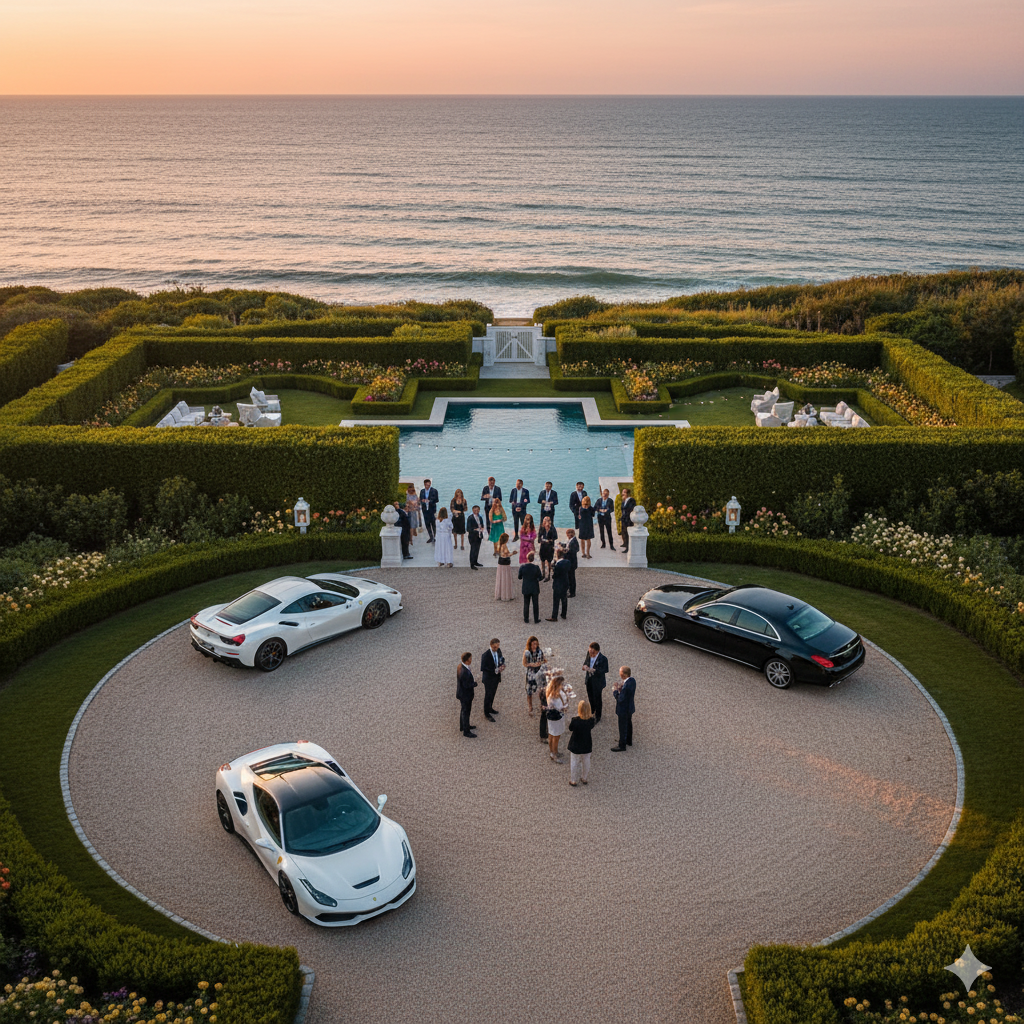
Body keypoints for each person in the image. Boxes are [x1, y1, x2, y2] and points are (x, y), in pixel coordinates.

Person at [567, 699, 596, 785]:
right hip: (586, 743)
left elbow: (570, 728)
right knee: (586, 761)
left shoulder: (575, 720)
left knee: (574, 761)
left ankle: (573, 780)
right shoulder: (591, 720)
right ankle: (584, 778)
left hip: (575, 743)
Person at [611, 666, 636, 752]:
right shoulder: (632, 681)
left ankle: (622, 745)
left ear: (624, 675)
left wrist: (615, 691)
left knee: (622, 727)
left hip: (623, 709)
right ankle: (629, 740)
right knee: (629, 724)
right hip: (630, 707)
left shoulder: (626, 686)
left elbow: (620, 698)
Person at [582, 641, 609, 723]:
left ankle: (598, 715)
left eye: (593, 652)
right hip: (589, 680)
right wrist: (585, 666)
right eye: (590, 651)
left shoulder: (603, 659)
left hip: (597, 682)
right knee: (590, 696)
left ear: (597, 651)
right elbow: (586, 661)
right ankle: (592, 710)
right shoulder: (589, 653)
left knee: (597, 698)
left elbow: (605, 670)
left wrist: (595, 670)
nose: (591, 654)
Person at [480, 638, 505, 721]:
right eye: (494, 647)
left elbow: (501, 658)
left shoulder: (498, 650)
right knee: (488, 695)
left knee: (493, 693)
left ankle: (490, 708)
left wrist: (502, 665)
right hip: (488, 679)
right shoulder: (485, 655)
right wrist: (494, 670)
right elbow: (483, 668)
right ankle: (486, 712)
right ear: (491, 646)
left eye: (497, 646)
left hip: (496, 677)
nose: (496, 648)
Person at [545, 675, 568, 763]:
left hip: (554, 717)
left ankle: (553, 752)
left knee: (552, 734)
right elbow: (558, 707)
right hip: (556, 717)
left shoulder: (555, 692)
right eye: (561, 684)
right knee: (556, 736)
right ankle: (554, 753)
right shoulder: (554, 696)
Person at [522, 635, 546, 717]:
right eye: (533, 644)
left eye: (536, 644)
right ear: (530, 644)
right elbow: (524, 663)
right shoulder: (527, 652)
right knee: (529, 692)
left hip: (539, 674)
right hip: (530, 675)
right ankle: (530, 707)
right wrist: (531, 664)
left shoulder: (540, 651)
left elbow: (544, 660)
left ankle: (542, 704)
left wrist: (541, 662)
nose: (535, 646)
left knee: (541, 690)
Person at [518, 551, 543, 623]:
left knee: (526, 604)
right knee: (535, 604)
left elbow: (519, 577)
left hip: (526, 587)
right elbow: (540, 577)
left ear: (527, 558)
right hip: (534, 587)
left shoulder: (523, 567)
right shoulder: (536, 567)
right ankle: (536, 619)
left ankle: (526, 619)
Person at [456, 652, 476, 738]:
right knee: (466, 712)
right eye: (470, 659)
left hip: (462, 694)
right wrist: (474, 684)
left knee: (463, 711)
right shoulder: (464, 672)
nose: (471, 660)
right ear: (467, 660)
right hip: (465, 695)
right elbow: (466, 685)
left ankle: (463, 726)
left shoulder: (460, 666)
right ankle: (466, 731)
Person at [547, 547, 570, 621]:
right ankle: (564, 614)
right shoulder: (567, 562)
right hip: (565, 582)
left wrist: (553, 570)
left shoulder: (558, 565)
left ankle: (554, 616)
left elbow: (555, 575)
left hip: (558, 584)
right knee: (564, 599)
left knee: (556, 601)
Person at [495, 533, 516, 601]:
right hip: (505, 564)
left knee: (501, 578)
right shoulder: (504, 546)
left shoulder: (499, 545)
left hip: (500, 563)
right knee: (506, 578)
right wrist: (513, 553)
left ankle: (500, 594)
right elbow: (507, 555)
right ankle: (506, 595)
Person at [537, 516, 558, 581]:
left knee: (549, 561)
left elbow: (555, 537)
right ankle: (542, 574)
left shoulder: (552, 528)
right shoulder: (542, 528)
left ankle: (548, 575)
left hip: (549, 546)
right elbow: (539, 536)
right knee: (542, 560)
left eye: (548, 520)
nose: (547, 522)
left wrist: (550, 540)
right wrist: (540, 540)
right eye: (545, 520)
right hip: (543, 546)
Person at [467, 504, 486, 569]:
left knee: (477, 549)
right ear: (472, 510)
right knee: (473, 550)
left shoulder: (480, 517)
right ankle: (472, 564)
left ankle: (475, 561)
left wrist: (482, 528)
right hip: (473, 536)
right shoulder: (470, 518)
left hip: (479, 535)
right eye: (475, 510)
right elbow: (468, 529)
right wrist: (475, 530)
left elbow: (482, 525)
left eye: (477, 510)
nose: (476, 511)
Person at [419, 478, 439, 543]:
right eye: (426, 485)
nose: (427, 486)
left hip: (432, 510)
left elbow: (437, 500)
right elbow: (420, 499)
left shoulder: (434, 490)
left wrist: (429, 501)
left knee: (433, 524)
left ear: (430, 484)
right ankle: (431, 537)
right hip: (425, 510)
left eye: (428, 485)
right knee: (427, 524)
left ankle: (435, 537)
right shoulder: (422, 491)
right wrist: (423, 501)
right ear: (424, 485)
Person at [620, 488, 636, 553]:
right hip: (624, 519)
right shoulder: (624, 500)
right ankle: (625, 543)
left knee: (627, 533)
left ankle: (628, 547)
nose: (622, 493)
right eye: (622, 492)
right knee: (623, 531)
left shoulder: (631, 500)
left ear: (628, 494)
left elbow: (631, 509)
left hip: (628, 519)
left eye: (624, 492)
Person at [565, 529, 580, 597]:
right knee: (569, 577)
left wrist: (565, 552)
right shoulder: (573, 540)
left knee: (571, 578)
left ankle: (572, 592)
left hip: (571, 562)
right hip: (571, 562)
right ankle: (570, 589)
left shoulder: (573, 542)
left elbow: (572, 551)